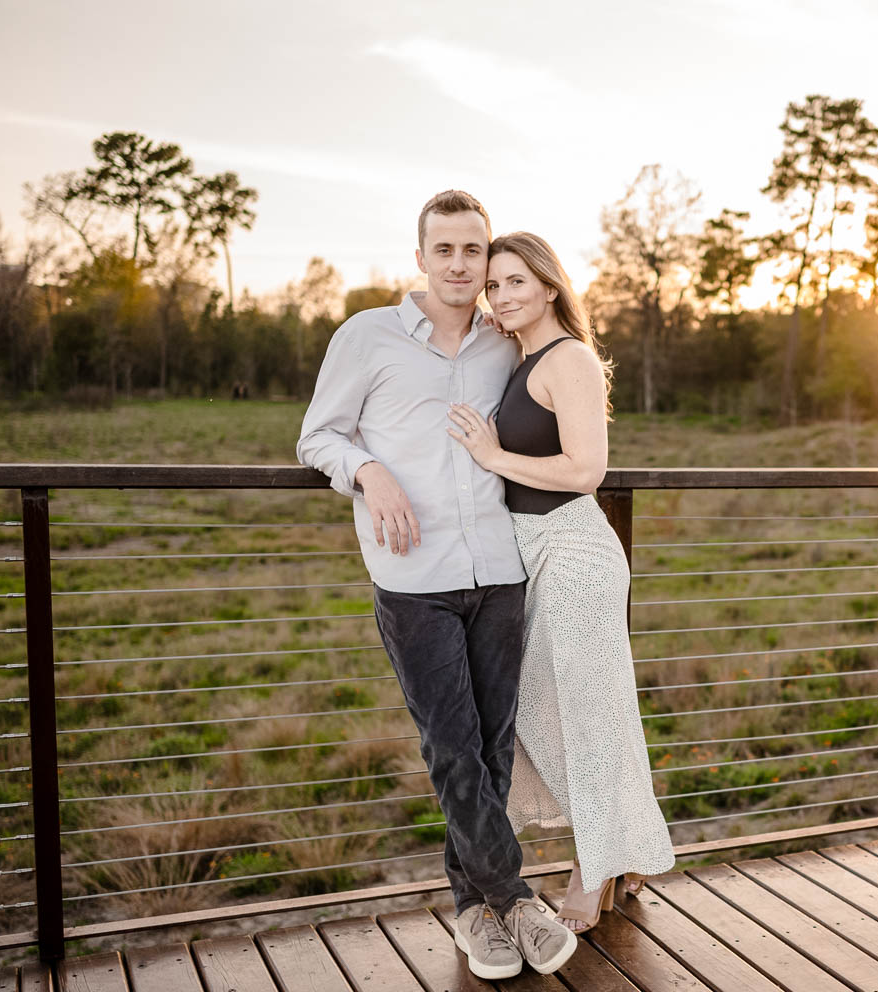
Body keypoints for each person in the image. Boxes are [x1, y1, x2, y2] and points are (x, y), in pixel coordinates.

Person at [296, 192, 576, 980]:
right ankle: (514, 899)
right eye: (444, 250)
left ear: (489, 260)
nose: (460, 265)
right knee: (451, 747)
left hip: (499, 572)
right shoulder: (367, 336)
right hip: (414, 579)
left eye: (473, 251)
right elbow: (318, 434)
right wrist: (368, 469)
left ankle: (471, 911)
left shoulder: (503, 342)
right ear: (420, 257)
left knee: (488, 750)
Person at [446, 231, 675, 933]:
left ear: (551, 285)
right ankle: (624, 851)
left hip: (573, 556)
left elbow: (584, 472)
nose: (503, 295)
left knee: (587, 719)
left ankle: (594, 866)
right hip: (532, 557)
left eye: (517, 282)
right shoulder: (523, 356)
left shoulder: (568, 358)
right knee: (562, 716)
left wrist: (492, 454)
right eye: (494, 286)